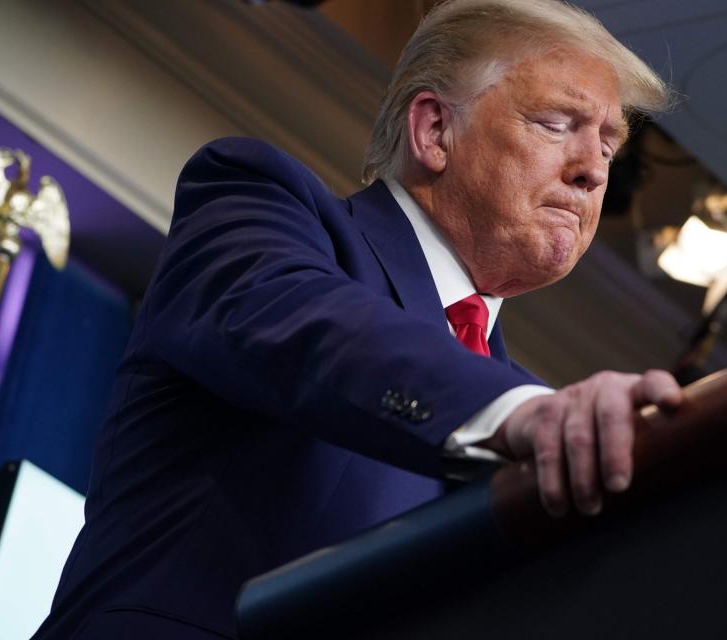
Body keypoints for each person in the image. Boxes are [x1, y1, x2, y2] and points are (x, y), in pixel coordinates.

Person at [34, 1, 680, 638]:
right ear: (434, 132)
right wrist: (520, 413)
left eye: (607, 144)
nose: (593, 170)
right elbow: (308, 325)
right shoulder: (257, 203)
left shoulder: (517, 402)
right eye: (556, 122)